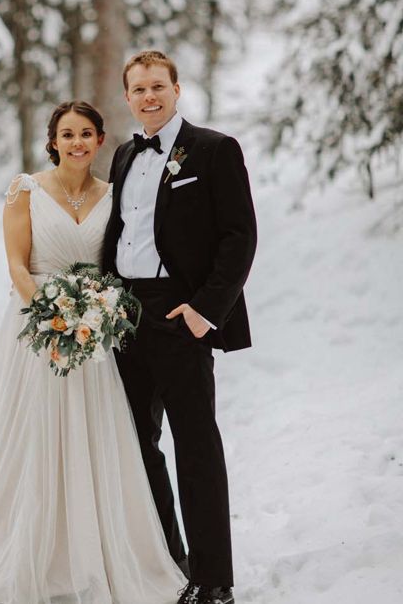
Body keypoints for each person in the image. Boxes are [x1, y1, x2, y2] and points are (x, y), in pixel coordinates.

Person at [0, 100, 186, 604]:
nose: (77, 142)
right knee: (33, 437)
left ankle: (93, 555)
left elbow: (120, 262)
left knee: (93, 438)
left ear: (101, 140)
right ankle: (25, 553)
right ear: (53, 141)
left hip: (95, 338)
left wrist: (93, 316)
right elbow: (17, 266)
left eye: (86, 133)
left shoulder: (114, 193)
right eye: (67, 134)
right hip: (36, 330)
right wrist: (52, 314)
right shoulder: (25, 190)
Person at [102, 51, 257, 604]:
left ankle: (214, 580)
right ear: (127, 96)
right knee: (137, 445)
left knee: (195, 446)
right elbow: (120, 233)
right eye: (138, 89)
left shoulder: (214, 150)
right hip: (125, 314)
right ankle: (170, 561)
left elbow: (239, 237)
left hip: (179, 314)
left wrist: (202, 311)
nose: (149, 97)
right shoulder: (123, 154)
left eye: (158, 87)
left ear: (176, 89)